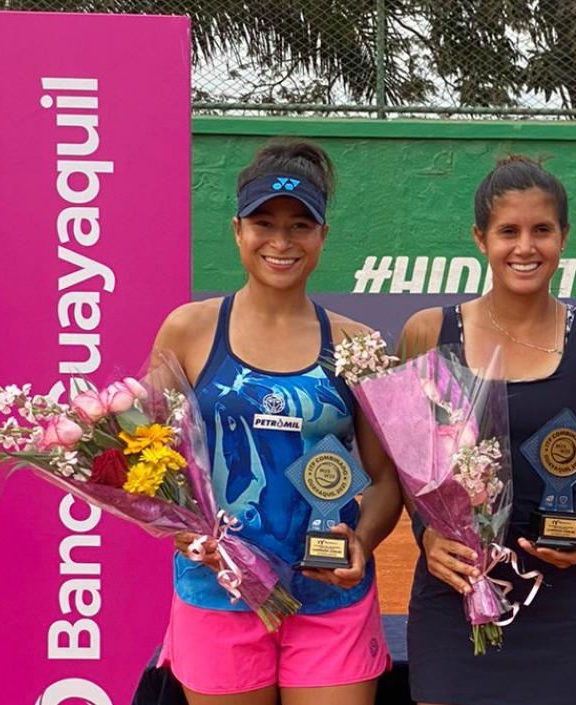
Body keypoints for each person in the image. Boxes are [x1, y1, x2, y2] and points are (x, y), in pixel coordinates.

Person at [154, 139, 401, 704]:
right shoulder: (189, 331)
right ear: (238, 230)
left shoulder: (358, 344)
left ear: (322, 237)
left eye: (300, 226)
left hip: (330, 596)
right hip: (220, 592)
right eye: (264, 223)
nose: (281, 242)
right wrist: (192, 535)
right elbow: (152, 461)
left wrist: (361, 542)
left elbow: (387, 480)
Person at [399, 156, 576, 705]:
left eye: (542, 231)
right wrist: (429, 536)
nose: (525, 247)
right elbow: (410, 467)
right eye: (508, 231)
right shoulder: (427, 332)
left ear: (564, 236)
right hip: (456, 589)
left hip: (564, 599)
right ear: (480, 238)